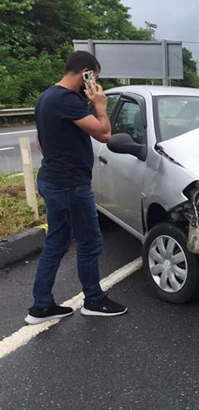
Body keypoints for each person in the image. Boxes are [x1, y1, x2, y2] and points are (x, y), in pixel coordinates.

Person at [26, 51, 128, 324]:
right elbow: (104, 134)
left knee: (57, 242)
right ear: (86, 73)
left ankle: (41, 307)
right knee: (90, 242)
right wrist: (100, 105)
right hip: (70, 185)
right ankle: (93, 300)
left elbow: (40, 143)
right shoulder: (66, 100)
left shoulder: (46, 97)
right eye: (94, 76)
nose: (94, 82)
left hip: (51, 179)